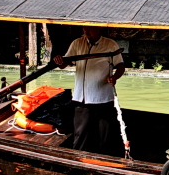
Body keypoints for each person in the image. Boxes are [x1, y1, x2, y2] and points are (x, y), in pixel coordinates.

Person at [53, 26, 125, 155]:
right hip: (82, 98)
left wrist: (114, 77)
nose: (86, 31)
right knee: (80, 134)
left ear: (99, 29)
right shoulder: (77, 43)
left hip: (103, 97)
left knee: (105, 135)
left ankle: (105, 162)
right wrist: (59, 61)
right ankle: (78, 162)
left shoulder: (110, 44)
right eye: (84, 28)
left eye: (90, 28)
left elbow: (120, 65)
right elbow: (65, 63)